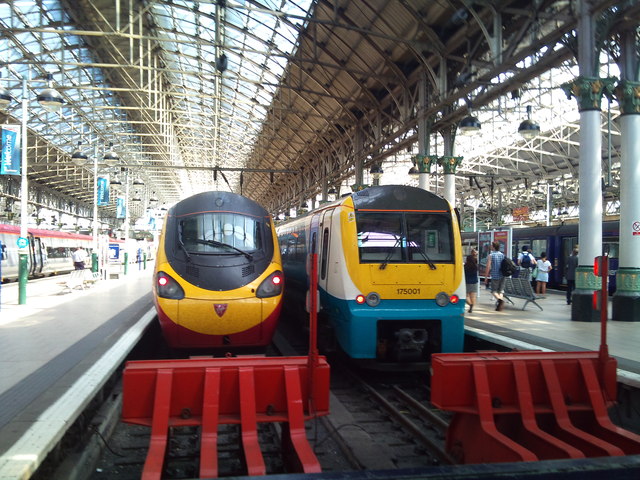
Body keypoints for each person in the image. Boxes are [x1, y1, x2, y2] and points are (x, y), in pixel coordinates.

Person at [484, 241, 506, 311]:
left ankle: (500, 301)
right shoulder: (502, 255)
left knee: (493, 291)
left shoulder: (491, 255)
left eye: (491, 245)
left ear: (493, 247)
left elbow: (488, 267)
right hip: (503, 275)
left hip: (495, 275)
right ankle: (500, 306)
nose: (490, 246)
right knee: (501, 291)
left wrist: (486, 277)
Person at [464, 249, 479, 313]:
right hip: (474, 282)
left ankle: (470, 304)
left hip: (466, 282)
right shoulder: (475, 266)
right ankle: (472, 307)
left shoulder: (465, 267)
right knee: (473, 296)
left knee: (465, 296)